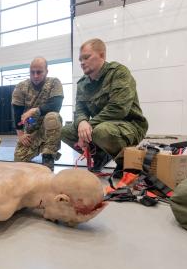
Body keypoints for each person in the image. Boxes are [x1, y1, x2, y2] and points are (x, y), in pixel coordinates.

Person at [61, 38, 148, 175]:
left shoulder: (118, 73)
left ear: (102, 55)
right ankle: (100, 155)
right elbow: (80, 110)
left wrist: (89, 124)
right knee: (66, 131)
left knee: (100, 131)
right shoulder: (83, 83)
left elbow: (119, 108)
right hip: (100, 127)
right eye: (80, 59)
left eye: (86, 57)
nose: (82, 63)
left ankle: (124, 161)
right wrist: (82, 123)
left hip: (130, 126)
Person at [11, 57, 64, 171]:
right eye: (32, 72)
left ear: (46, 71)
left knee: (53, 117)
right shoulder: (21, 87)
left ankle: (48, 155)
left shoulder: (54, 83)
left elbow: (56, 105)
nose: (35, 75)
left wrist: (35, 110)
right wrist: (20, 135)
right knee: (18, 159)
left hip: (49, 129)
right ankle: (37, 149)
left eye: (39, 72)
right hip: (32, 131)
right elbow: (16, 113)